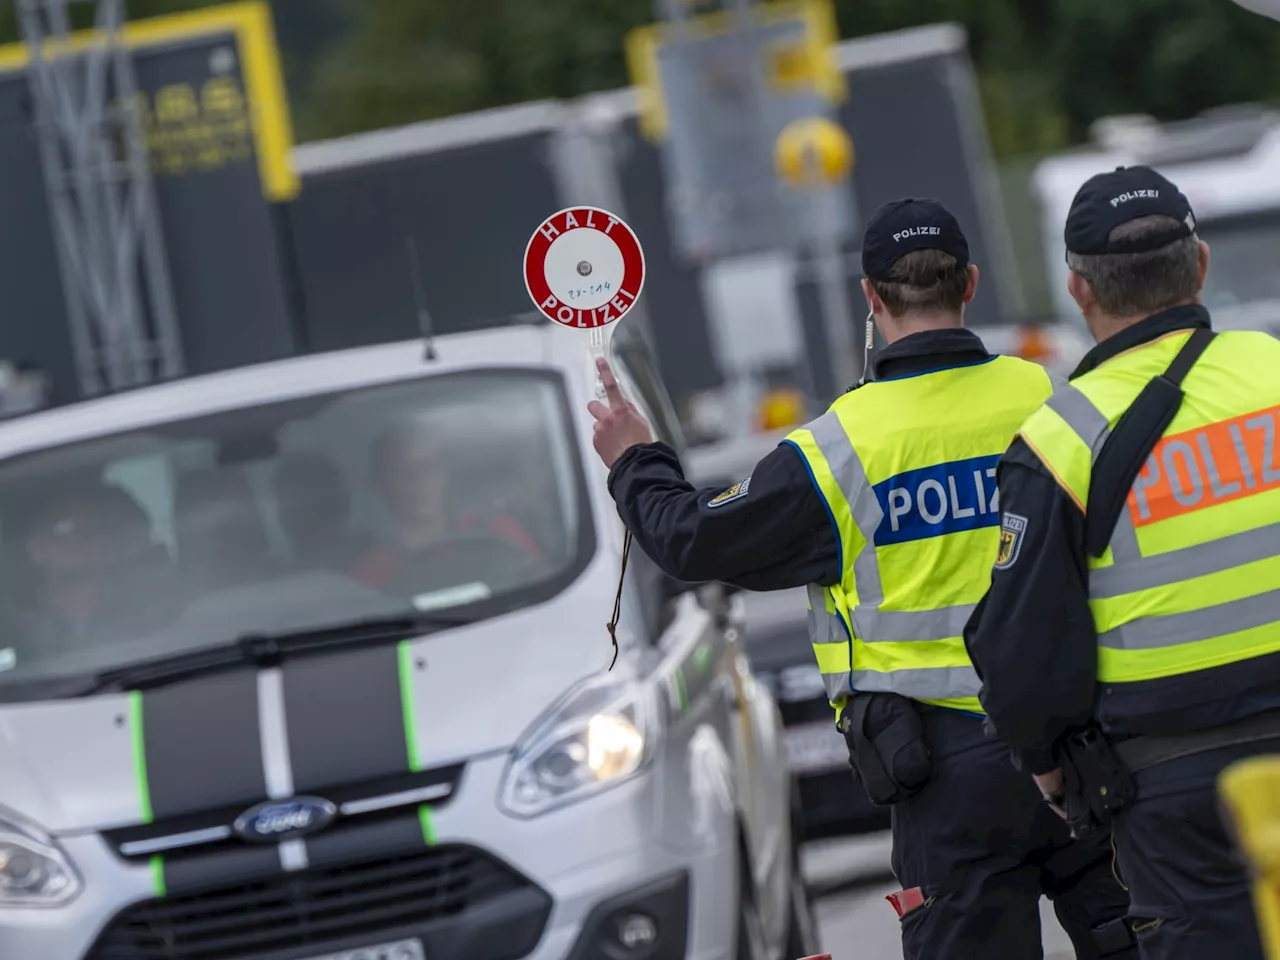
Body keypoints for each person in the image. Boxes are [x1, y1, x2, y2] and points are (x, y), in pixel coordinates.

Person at [589, 198, 1134, 960]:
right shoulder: (1052, 400)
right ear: (969, 282)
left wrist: (634, 458)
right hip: (1081, 743)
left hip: (943, 778)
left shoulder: (838, 448)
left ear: (871, 298)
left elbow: (692, 540)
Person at [964, 165, 1280, 959]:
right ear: (1200, 264)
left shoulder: (1059, 439)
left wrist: (1048, 766)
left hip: (1176, 784)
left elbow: (1022, 646)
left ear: (1079, 289)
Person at [349, 417, 544, 591]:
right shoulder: (370, 574)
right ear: (378, 484)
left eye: (429, 466)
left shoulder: (498, 531)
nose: (419, 480)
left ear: (445, 472)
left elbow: (542, 590)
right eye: (402, 471)